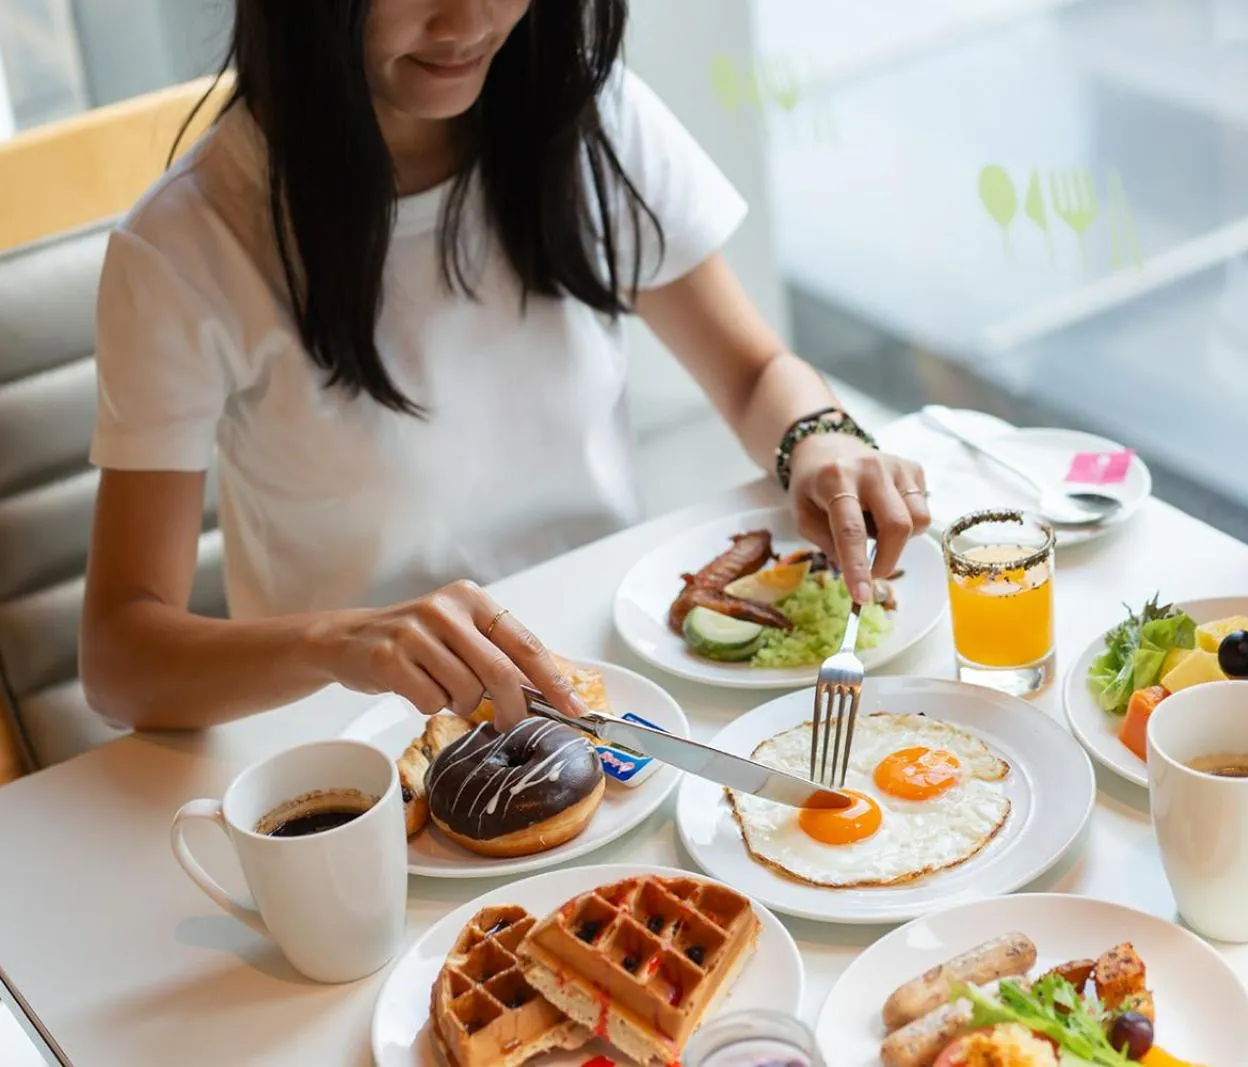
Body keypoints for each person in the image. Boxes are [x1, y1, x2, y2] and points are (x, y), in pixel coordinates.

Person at [79, 0, 928, 735]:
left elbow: (753, 374)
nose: (465, 22)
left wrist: (818, 438)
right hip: (366, 752)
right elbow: (120, 654)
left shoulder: (583, 117)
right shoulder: (185, 245)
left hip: (610, 696)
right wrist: (341, 641)